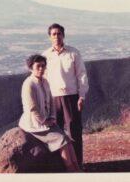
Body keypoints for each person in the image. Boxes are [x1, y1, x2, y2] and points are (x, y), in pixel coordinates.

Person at [19, 54, 81, 172]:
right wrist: (44, 120)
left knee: (67, 139)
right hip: (35, 125)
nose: (41, 69)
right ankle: (73, 172)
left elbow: (51, 101)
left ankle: (77, 169)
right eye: (38, 66)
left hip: (47, 121)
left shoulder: (45, 82)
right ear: (31, 68)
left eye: (43, 66)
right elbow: (31, 108)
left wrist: (52, 117)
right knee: (62, 141)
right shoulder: (29, 84)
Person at [42, 23, 89, 167]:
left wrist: (82, 96)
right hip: (53, 97)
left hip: (71, 96)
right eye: (53, 34)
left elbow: (81, 75)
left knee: (74, 130)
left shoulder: (73, 53)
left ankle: (77, 164)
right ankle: (60, 164)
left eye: (59, 33)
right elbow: (43, 78)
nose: (56, 36)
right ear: (49, 37)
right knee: (55, 132)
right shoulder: (45, 55)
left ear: (63, 35)